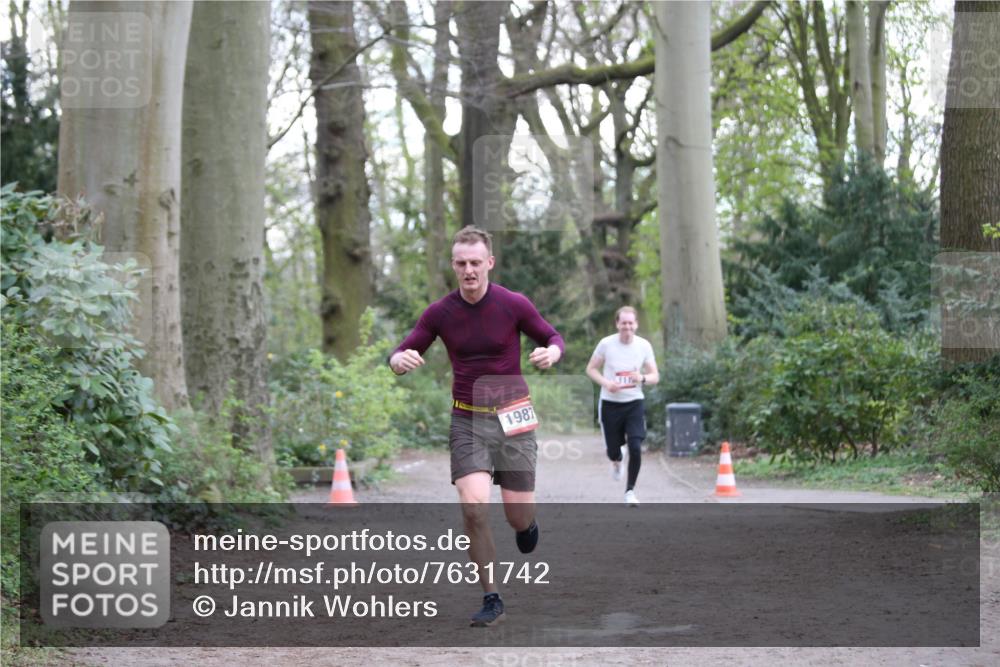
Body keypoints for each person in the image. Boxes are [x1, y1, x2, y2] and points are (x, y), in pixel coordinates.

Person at [388, 225, 564, 627]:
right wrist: (398, 361)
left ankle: (527, 524)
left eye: (475, 263)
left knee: (516, 517)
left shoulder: (513, 304)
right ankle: (492, 597)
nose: (469, 270)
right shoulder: (440, 313)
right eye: (461, 263)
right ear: (453, 265)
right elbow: (404, 349)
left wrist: (551, 353)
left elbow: (552, 335)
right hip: (467, 417)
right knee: (473, 508)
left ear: (489, 263)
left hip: (514, 414)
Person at [585, 306, 659, 506]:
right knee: (613, 451)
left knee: (635, 446)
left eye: (630, 323)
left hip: (634, 402)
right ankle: (617, 460)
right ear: (617, 324)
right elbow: (591, 369)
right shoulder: (606, 344)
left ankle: (630, 491)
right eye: (623, 323)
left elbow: (655, 376)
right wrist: (606, 383)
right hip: (610, 404)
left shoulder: (644, 346)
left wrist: (641, 377)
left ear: (636, 324)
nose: (627, 326)